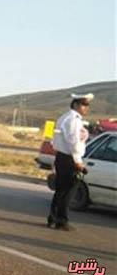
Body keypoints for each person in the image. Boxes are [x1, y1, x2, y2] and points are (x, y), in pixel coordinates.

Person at [47, 93, 93, 231]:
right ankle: (61, 220)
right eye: (83, 104)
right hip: (69, 159)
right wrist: (78, 161)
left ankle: (54, 218)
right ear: (75, 105)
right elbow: (73, 142)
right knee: (67, 191)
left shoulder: (65, 117)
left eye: (87, 105)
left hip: (63, 157)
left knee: (61, 191)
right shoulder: (73, 120)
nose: (86, 108)